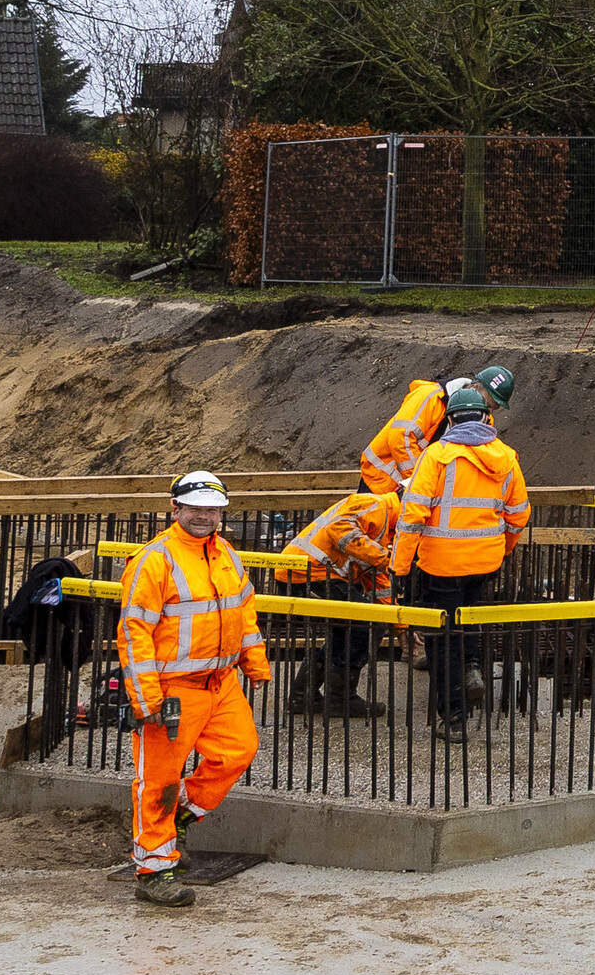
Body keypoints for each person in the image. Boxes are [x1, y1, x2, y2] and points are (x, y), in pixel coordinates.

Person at [118, 471, 270, 908]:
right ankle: (154, 870)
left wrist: (254, 664)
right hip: (171, 692)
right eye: (197, 509)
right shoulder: (154, 560)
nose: (205, 517)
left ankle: (180, 816)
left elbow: (244, 614)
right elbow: (133, 633)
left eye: (212, 510)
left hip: (220, 684)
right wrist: (145, 698)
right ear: (176, 509)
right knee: (158, 781)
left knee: (238, 751)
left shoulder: (225, 554)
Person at [389, 379, 527, 739]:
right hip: (485, 564)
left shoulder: (435, 457)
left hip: (441, 566)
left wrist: (399, 568)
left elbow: (412, 516)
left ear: (450, 421)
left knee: (442, 638)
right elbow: (519, 515)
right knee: (469, 620)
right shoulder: (507, 458)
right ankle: (473, 668)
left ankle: (453, 718)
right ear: (485, 418)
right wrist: (503, 549)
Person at [272, 487, 399, 717]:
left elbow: (381, 586)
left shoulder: (387, 529)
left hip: (317, 575)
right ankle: (340, 698)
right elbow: (338, 528)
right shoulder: (375, 505)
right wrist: (385, 558)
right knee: (362, 629)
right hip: (307, 575)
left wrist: (401, 626)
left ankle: (302, 697)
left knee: (347, 631)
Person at [354, 378, 451, 497]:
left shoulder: (453, 407)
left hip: (402, 487)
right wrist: (417, 482)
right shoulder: (431, 396)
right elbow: (400, 437)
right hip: (381, 480)